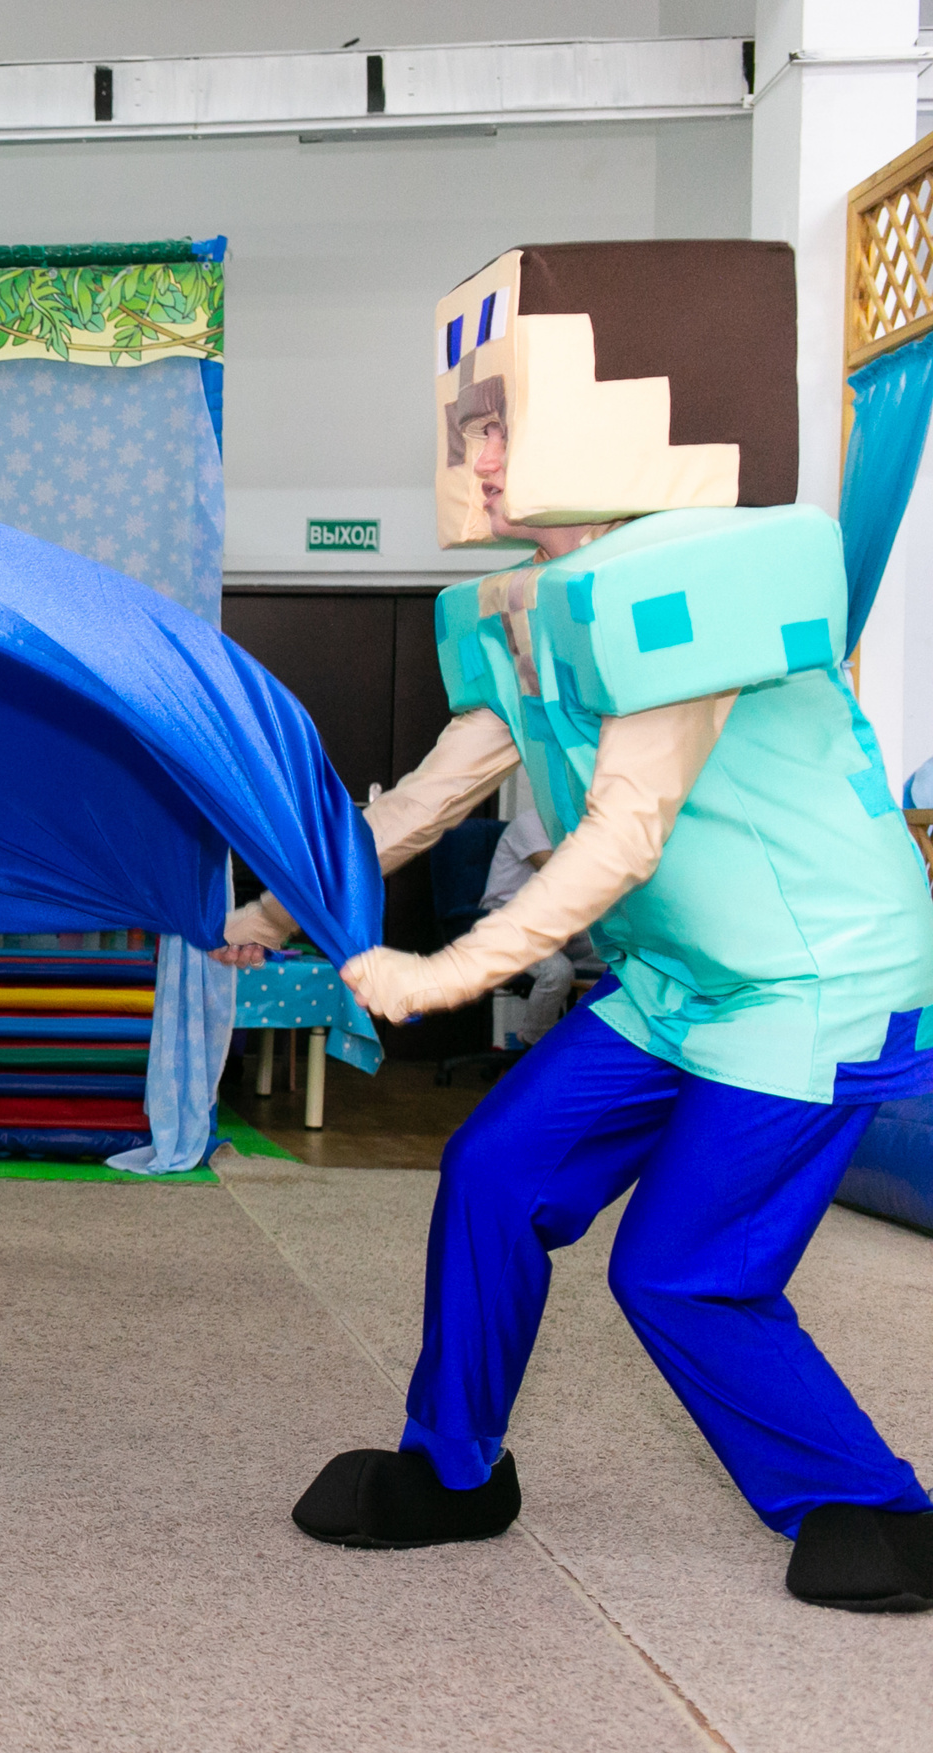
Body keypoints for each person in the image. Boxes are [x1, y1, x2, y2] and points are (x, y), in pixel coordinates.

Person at [221, 241, 933, 1610]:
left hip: (807, 981)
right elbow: (422, 802)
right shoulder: (526, 613)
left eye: (511, 423)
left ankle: (876, 1504)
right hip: (679, 981)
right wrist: (264, 916)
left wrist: (443, 972)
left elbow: (623, 833)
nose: (484, 456)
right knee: (493, 1172)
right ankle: (453, 1468)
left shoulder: (688, 588)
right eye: (471, 427)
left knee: (680, 1272)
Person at [478, 807, 578, 1039]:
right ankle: (534, 1044)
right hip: (506, 922)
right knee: (557, 971)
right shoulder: (530, 822)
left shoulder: (574, 828)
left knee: (620, 958)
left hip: (550, 926)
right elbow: (558, 873)